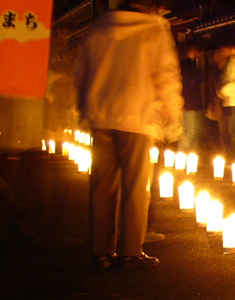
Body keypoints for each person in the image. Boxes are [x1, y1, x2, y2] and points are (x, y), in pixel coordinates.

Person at [75, 0, 182, 270]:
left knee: (102, 186)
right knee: (135, 186)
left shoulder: (97, 28)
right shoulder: (154, 28)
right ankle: (131, 251)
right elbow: (166, 74)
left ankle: (102, 252)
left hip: (101, 114)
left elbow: (80, 73)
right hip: (138, 114)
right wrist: (173, 114)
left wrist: (81, 107)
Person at [178, 41, 207, 154]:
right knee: (191, 132)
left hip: (188, 102)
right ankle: (187, 156)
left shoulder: (184, 65)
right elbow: (194, 80)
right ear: (190, 51)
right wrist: (200, 75)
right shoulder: (187, 65)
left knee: (189, 132)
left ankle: (188, 156)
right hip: (190, 103)